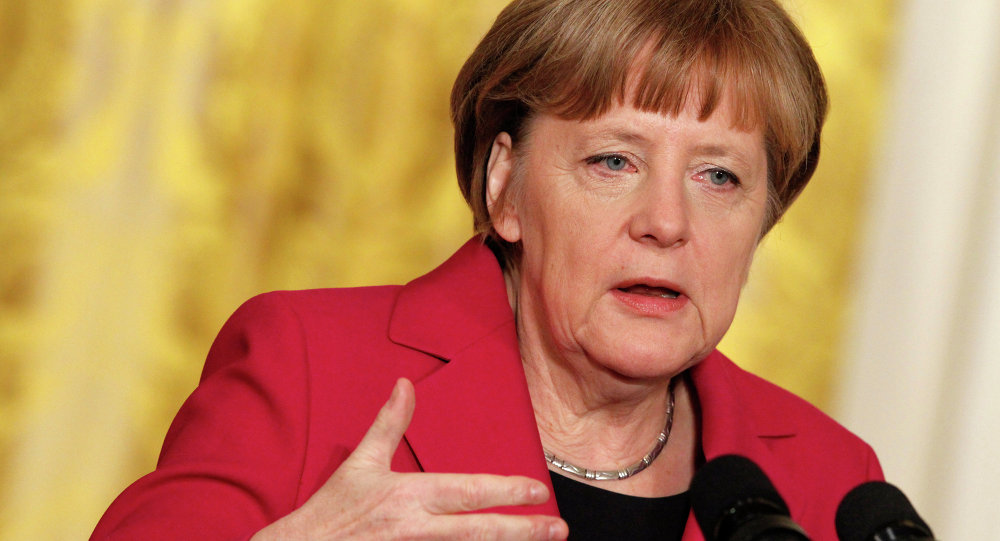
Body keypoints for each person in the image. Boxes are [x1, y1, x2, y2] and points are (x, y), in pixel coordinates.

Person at [92, 0, 883, 539]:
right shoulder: (308, 365)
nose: (667, 222)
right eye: (613, 160)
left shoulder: (832, 479)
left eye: (719, 176)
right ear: (505, 186)